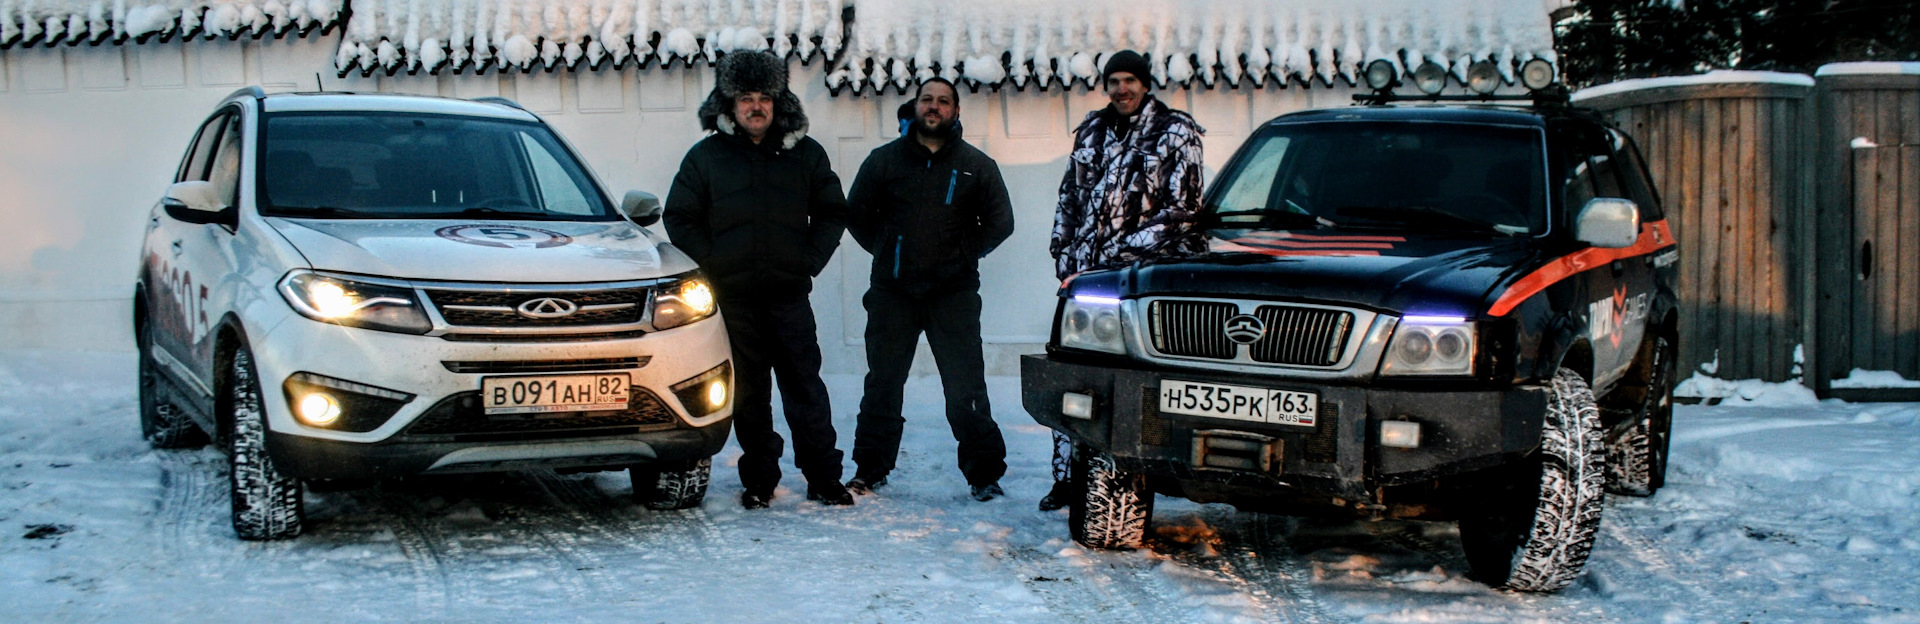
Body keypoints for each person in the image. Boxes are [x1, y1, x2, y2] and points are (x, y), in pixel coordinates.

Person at [664, 50, 853, 509]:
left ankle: (824, 476)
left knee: (806, 388)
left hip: (788, 296)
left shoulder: (805, 155)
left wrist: (807, 260)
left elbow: (832, 211)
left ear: (778, 102)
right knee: (749, 394)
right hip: (735, 301)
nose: (756, 107)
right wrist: (715, 265)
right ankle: (760, 480)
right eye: (746, 98)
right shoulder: (706, 158)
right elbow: (680, 217)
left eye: (764, 98)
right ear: (729, 104)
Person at [1041, 50, 1208, 511]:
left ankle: (1139, 480)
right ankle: (1067, 479)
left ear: (1146, 83)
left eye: (1130, 80)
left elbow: (1185, 211)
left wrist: (1112, 255)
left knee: (1133, 387)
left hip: (1145, 280)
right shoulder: (1092, 130)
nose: (1121, 89)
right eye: (1113, 81)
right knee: (1075, 378)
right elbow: (1069, 197)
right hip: (1086, 278)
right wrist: (1064, 254)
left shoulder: (1176, 132)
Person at [845, 78, 1016, 501]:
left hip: (953, 295)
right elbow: (857, 215)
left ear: (956, 112)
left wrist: (963, 254)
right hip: (893, 293)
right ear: (915, 106)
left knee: (966, 388)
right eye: (927, 100)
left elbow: (1001, 223)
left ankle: (984, 475)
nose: (934, 107)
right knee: (883, 385)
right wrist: (889, 251)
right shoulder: (884, 162)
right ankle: (871, 468)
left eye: (943, 101)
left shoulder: (977, 165)